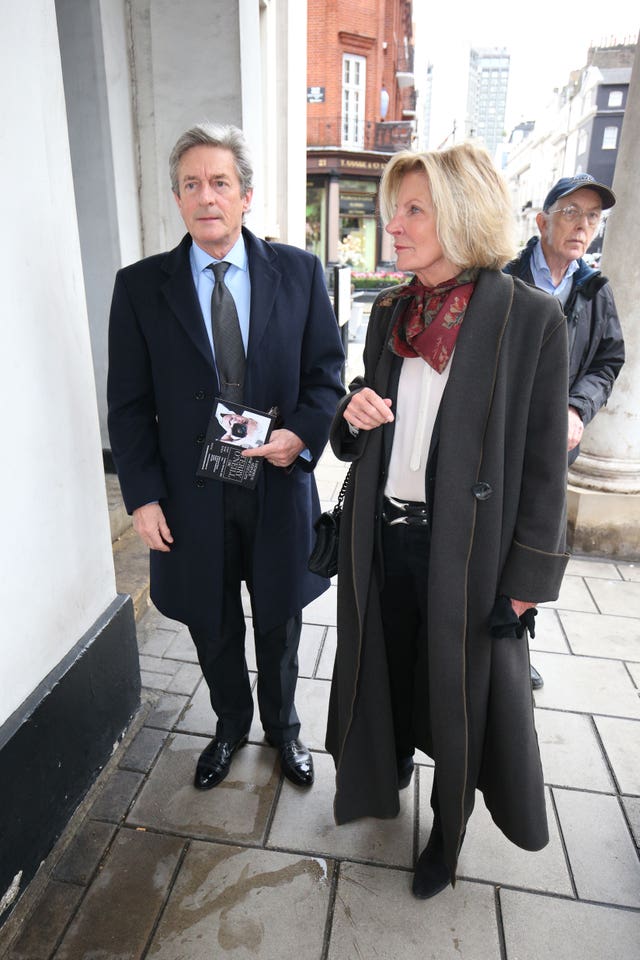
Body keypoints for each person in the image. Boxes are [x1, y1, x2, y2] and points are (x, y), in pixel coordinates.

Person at [325, 142, 570, 901]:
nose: (392, 224)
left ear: (459, 216)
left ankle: (447, 838)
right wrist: (352, 411)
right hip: (383, 537)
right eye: (394, 207)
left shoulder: (530, 319)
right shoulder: (394, 309)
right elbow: (362, 420)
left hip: (469, 553)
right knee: (386, 672)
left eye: (413, 210)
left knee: (459, 700)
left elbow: (541, 464)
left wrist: (528, 582)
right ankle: (383, 771)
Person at [108, 123, 344, 792]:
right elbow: (127, 406)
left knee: (279, 621)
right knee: (212, 625)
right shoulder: (140, 288)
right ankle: (230, 726)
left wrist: (300, 435)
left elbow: (326, 372)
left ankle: (285, 732)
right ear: (177, 200)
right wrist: (144, 496)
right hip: (190, 496)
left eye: (220, 182)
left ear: (246, 195)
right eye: (191, 185)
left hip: (274, 484)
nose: (206, 196)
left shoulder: (296, 272)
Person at [504, 173, 625, 689]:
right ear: (542, 219)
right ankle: (476, 637)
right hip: (499, 443)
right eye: (571, 212)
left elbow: (608, 359)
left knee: (535, 547)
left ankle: (513, 647)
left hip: (556, 450)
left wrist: (578, 409)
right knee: (493, 540)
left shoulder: (594, 289)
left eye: (593, 217)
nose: (582, 226)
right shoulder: (504, 279)